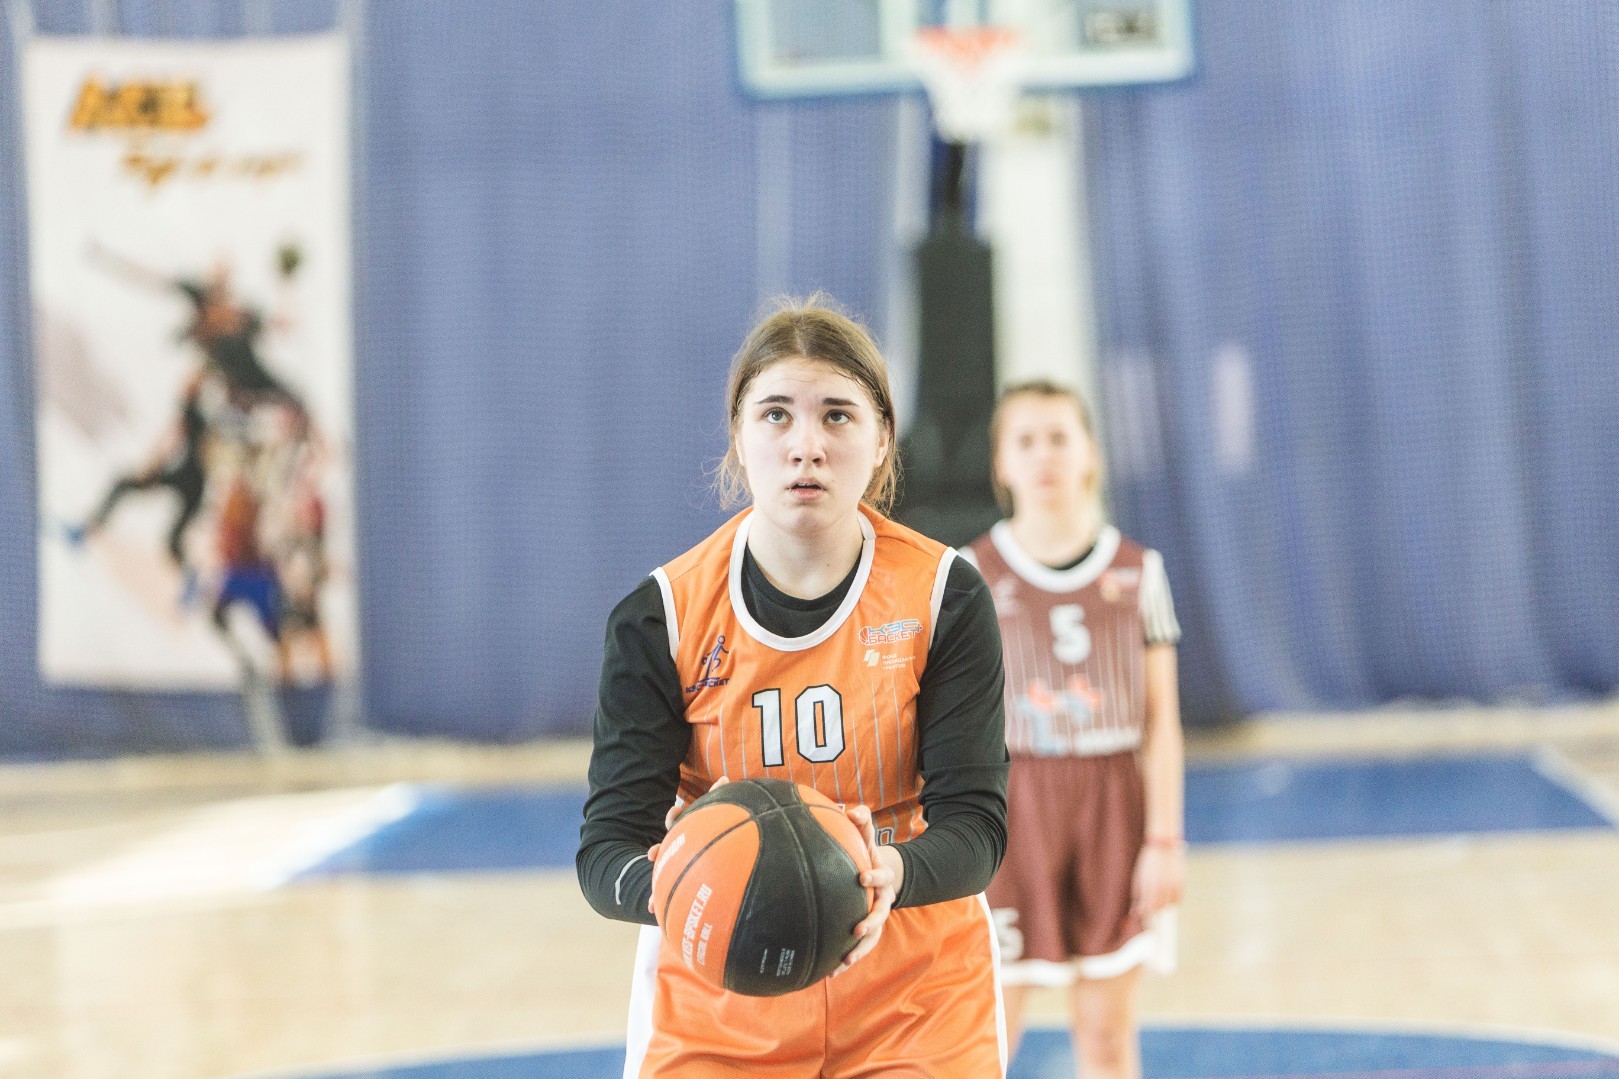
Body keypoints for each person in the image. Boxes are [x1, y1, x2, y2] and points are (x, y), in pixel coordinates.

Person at [577, 298, 1012, 1078]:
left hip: (914, 990)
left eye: (836, 415)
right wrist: (695, 884)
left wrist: (886, 875)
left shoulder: (943, 594)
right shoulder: (661, 614)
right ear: (739, 438)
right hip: (720, 992)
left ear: (882, 440)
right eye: (775, 414)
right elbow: (606, 849)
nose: (805, 445)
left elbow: (976, 829)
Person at [963, 382, 1185, 1079]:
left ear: (1090, 452)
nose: (1044, 455)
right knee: (985, 1035)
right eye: (1025, 440)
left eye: (1059, 437)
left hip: (1111, 804)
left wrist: (1165, 842)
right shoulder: (969, 574)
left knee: (1105, 1034)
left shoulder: (1138, 572)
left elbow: (1162, 722)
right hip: (1012, 804)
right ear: (1001, 462)